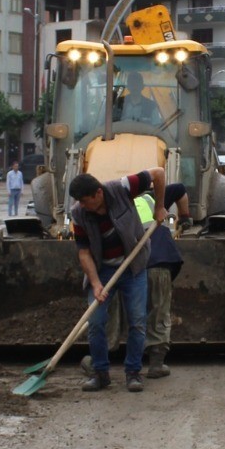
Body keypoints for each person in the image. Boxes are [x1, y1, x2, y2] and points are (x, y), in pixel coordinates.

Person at [69, 166, 165, 392]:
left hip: (133, 267)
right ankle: (100, 373)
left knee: (137, 321)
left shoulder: (121, 189)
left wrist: (159, 207)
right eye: (79, 201)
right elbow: (84, 252)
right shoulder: (79, 214)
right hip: (102, 270)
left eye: (84, 200)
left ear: (98, 194)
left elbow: (159, 173)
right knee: (95, 321)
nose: (81, 205)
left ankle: (133, 372)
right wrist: (95, 283)